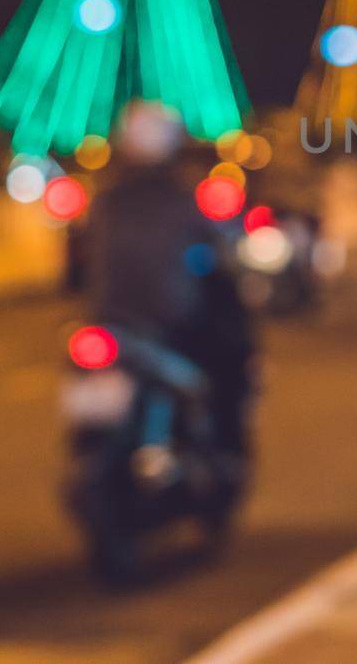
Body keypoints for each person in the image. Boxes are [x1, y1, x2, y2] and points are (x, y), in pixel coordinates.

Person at [86, 102, 255, 457]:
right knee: (227, 365)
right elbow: (223, 248)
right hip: (170, 323)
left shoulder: (105, 201)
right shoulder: (182, 200)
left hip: (108, 321)